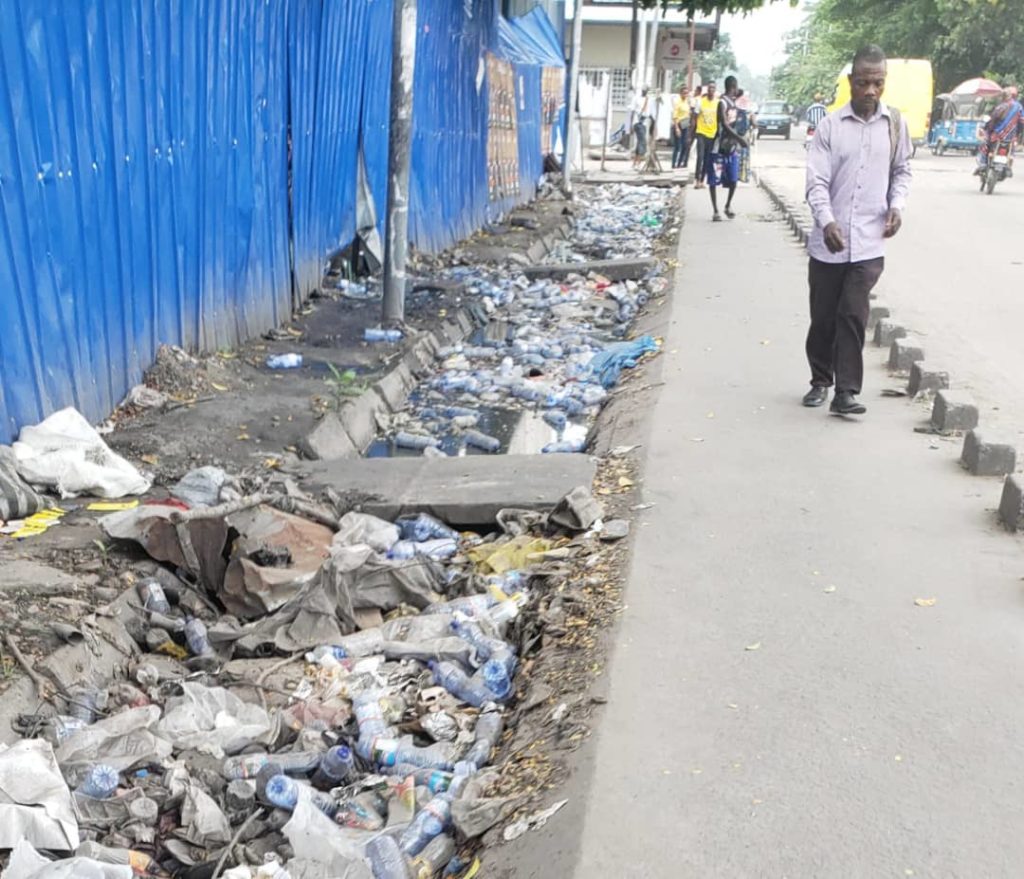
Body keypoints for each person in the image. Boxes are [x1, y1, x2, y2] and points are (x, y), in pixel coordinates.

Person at [802, 44, 912, 415]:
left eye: (877, 83)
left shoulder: (895, 125)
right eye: (864, 83)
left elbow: (902, 172)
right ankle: (820, 379)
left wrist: (896, 206)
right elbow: (816, 181)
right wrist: (826, 219)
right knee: (823, 317)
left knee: (853, 314)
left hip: (868, 243)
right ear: (851, 82)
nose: (870, 91)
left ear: (884, 83)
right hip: (828, 243)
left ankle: (846, 392)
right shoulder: (831, 127)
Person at [706, 75, 743, 221]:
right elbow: (725, 125)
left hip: (732, 146)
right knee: (714, 179)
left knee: (733, 179)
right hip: (719, 146)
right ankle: (715, 210)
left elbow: (741, 92)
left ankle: (727, 205)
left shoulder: (732, 101)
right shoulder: (722, 103)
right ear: (733, 87)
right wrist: (740, 138)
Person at [975, 86, 1023, 174]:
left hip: (997, 135)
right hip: (1011, 136)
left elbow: (992, 120)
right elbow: (1021, 122)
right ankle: (1008, 166)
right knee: (1011, 150)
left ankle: (983, 164)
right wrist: (1017, 134)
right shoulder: (1019, 107)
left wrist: (988, 130)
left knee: (985, 143)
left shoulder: (1000, 106)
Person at [693, 82, 718, 190]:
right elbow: (695, 117)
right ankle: (697, 180)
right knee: (700, 156)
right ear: (707, 90)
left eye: (713, 88)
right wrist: (691, 134)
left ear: (715, 90)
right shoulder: (701, 102)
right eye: (710, 88)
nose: (711, 90)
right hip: (701, 133)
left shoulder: (718, 103)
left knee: (707, 159)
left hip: (712, 134)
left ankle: (702, 180)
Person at [631, 87, 652, 170]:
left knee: (639, 142)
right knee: (642, 142)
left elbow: (649, 112)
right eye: (644, 90)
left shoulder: (648, 100)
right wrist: (630, 125)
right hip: (638, 122)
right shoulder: (636, 99)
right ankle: (638, 162)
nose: (645, 92)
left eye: (646, 90)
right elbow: (632, 112)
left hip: (644, 123)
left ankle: (635, 162)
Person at [671, 85, 691, 169]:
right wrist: (676, 128)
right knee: (677, 146)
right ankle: (674, 164)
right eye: (684, 93)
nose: (685, 95)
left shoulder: (687, 102)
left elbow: (688, 114)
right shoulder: (677, 102)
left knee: (685, 145)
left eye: (686, 93)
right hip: (678, 123)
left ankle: (680, 163)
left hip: (685, 123)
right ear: (680, 93)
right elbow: (675, 116)